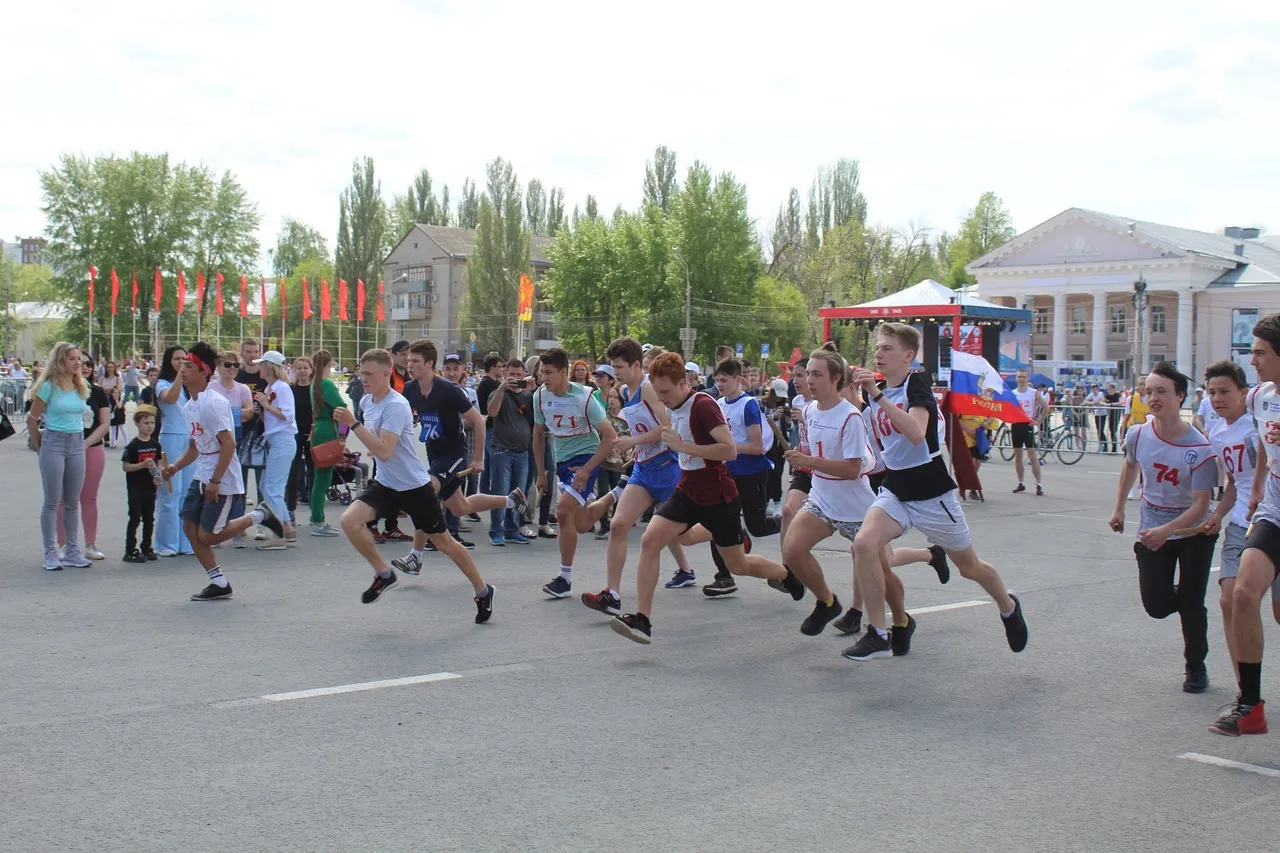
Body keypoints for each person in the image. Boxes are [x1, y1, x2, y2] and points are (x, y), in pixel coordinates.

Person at [849, 322, 1028, 661]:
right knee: (863, 545)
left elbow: (917, 432)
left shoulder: (916, 385)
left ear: (908, 356)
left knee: (969, 567)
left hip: (931, 492)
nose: (879, 353)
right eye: (878, 348)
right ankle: (878, 633)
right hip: (896, 488)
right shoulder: (875, 394)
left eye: (887, 348)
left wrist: (877, 396)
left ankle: (1007, 606)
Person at [611, 352, 802, 644]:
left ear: (683, 383)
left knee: (738, 565)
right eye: (657, 392)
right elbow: (670, 436)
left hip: (718, 493)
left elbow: (729, 450)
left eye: (665, 392)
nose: (661, 399)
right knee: (653, 540)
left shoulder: (703, 405)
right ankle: (642, 620)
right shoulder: (673, 405)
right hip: (687, 489)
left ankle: (786, 575)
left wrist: (684, 447)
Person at [335, 348, 495, 623]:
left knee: (446, 544)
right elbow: (379, 446)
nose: (363, 379)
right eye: (361, 373)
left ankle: (483, 591)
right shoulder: (367, 401)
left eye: (368, 374)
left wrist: (354, 426)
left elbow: (385, 451)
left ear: (386, 373)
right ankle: (384, 574)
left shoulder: (396, 405)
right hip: (386, 483)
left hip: (414, 487)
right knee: (349, 521)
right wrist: (349, 438)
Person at [1109, 361, 1218, 693]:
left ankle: (1195, 666)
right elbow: (1130, 466)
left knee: (1191, 603)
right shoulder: (1138, 434)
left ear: (1180, 396)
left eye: (1162, 391)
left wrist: (1167, 532)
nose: (1153, 398)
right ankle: (1186, 596)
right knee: (1156, 606)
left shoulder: (1200, 448)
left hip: (1194, 531)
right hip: (1153, 527)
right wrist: (1119, 508)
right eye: (1149, 392)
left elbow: (1200, 505)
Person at [577, 336, 695, 615]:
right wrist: (634, 447)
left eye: (619, 367)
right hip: (644, 469)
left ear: (636, 365)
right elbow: (643, 427)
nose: (615, 372)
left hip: (667, 468)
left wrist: (633, 441)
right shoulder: (625, 390)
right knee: (619, 525)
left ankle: (723, 531)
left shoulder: (649, 388)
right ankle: (612, 594)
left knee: (685, 535)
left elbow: (667, 428)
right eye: (613, 366)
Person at [160, 342, 285, 601]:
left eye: (189, 366)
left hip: (223, 476)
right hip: (202, 474)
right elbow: (194, 447)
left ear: (204, 372)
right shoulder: (189, 407)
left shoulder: (214, 403)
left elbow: (229, 444)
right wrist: (175, 467)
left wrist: (215, 481)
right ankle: (219, 582)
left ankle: (260, 514)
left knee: (209, 535)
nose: (182, 370)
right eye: (182, 365)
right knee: (189, 528)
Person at [391, 340, 526, 575]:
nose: (409, 365)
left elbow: (479, 421)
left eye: (415, 361)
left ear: (429, 364)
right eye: (409, 360)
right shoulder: (411, 389)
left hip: (454, 453)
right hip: (434, 453)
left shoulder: (448, 390)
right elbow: (404, 418)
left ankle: (416, 557)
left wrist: (478, 459)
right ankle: (511, 500)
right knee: (460, 507)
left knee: (424, 493)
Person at [1210, 314, 1280, 736]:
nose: (1252, 360)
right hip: (1273, 511)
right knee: (1241, 594)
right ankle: (1250, 706)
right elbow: (1264, 447)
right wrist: (1256, 488)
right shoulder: (1259, 398)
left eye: (1260, 353)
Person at [779, 349, 881, 636]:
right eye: (807, 374)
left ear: (836, 379)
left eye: (816, 374)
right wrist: (800, 454)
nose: (808, 380)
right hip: (822, 499)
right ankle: (826, 602)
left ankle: (900, 621)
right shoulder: (810, 410)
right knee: (792, 550)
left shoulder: (851, 417)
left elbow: (852, 469)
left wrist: (808, 461)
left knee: (882, 570)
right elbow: (815, 445)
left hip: (855, 506)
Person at [534, 347, 617, 599]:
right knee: (581, 524)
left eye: (549, 373)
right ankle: (616, 494)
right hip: (561, 460)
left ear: (563, 372)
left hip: (584, 458)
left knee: (562, 511)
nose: (544, 378)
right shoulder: (540, 396)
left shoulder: (585, 397)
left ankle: (564, 578)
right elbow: (537, 435)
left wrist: (588, 469)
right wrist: (541, 473)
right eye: (541, 372)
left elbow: (610, 436)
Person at [1199, 360, 1257, 684]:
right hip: (1239, 525)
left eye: (1224, 391)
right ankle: (1244, 687)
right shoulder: (1218, 433)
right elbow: (1234, 482)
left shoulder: (1259, 425)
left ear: (1243, 392)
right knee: (1228, 599)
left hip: (1269, 520)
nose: (1217, 399)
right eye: (1211, 393)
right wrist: (1217, 515)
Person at [704, 356, 781, 597]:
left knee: (758, 526)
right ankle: (723, 577)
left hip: (751, 473)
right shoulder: (718, 404)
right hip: (726, 473)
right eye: (717, 380)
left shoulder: (748, 406)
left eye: (724, 380)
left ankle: (787, 521)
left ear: (738, 380)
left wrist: (728, 448)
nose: (720, 385)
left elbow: (757, 446)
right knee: (717, 522)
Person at [28, 342, 92, 571]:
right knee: (52, 501)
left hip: (76, 442)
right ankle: (50, 552)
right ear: (60, 361)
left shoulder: (81, 385)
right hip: (54, 441)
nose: (77, 363)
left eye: (78, 359)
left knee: (72, 502)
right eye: (72, 358)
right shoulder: (49, 386)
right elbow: (32, 419)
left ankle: (72, 551)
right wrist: (39, 446)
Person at [55, 354, 111, 561]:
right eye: (80, 362)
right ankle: (63, 545)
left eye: (89, 364)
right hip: (65, 448)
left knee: (89, 497)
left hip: (91, 447)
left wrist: (86, 443)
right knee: (64, 498)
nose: (84, 367)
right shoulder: (61, 389)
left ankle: (90, 544)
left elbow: (104, 423)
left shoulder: (97, 392)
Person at [484, 358, 535, 546]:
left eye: (518, 375)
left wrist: (533, 389)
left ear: (524, 375)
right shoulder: (498, 393)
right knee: (500, 493)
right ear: (505, 374)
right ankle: (496, 531)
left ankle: (512, 530)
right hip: (502, 450)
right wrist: (501, 389)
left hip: (522, 452)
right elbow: (492, 412)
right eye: (511, 374)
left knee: (518, 494)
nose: (515, 378)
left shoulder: (528, 396)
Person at [252, 350, 298, 549]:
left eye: (262, 364)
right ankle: (286, 528)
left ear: (269, 367)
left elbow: (288, 416)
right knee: (269, 487)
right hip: (278, 441)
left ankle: (279, 534)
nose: (259, 368)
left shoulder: (282, 388)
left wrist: (266, 405)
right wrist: (262, 412)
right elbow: (276, 418)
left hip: (282, 441)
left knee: (271, 488)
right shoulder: (272, 387)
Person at [154, 346, 194, 557]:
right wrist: (180, 376)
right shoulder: (163, 383)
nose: (181, 362)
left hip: (190, 440)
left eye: (184, 358)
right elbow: (170, 398)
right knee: (171, 491)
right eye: (177, 359)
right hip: (170, 438)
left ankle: (186, 542)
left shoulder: (191, 386)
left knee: (187, 493)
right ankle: (166, 543)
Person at [307, 350, 347, 536]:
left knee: (319, 476)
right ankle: (318, 521)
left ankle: (315, 516)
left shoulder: (314, 384)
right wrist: (343, 434)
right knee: (323, 478)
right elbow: (341, 406)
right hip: (328, 429)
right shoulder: (326, 384)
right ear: (329, 364)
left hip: (318, 428)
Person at [121, 405, 163, 562]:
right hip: (135, 487)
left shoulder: (155, 444)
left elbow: (158, 463)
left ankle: (147, 547)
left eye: (152, 423)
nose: (150, 426)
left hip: (149, 487)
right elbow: (126, 466)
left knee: (149, 518)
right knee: (135, 517)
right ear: (137, 424)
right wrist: (142, 465)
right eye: (146, 423)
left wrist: (158, 475)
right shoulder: (133, 446)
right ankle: (130, 550)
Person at [234, 339, 269, 514]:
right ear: (242, 354)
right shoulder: (237, 376)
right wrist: (243, 410)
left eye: (256, 352)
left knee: (262, 482)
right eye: (248, 352)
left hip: (262, 434)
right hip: (239, 434)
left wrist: (264, 409)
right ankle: (238, 520)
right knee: (239, 482)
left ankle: (263, 519)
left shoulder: (265, 377)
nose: (252, 355)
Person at [286, 355, 315, 526]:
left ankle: (315, 512)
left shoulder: (315, 389)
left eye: (305, 368)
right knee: (292, 474)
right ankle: (290, 511)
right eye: (299, 368)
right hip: (294, 434)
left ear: (311, 370)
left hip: (312, 434)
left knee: (313, 474)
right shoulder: (290, 389)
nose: (302, 371)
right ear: (294, 371)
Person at [1011, 370, 1047, 496]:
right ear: (1016, 378)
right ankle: (1020, 483)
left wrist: (1038, 421)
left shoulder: (1033, 392)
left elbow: (1046, 407)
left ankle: (1039, 484)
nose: (1021, 379)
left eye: (1023, 377)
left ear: (1027, 378)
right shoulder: (1012, 393)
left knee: (1032, 456)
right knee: (1018, 457)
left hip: (1028, 426)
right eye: (1019, 377)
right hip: (1016, 426)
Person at [474, 354, 505, 498]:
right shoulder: (491, 384)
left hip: (487, 426)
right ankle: (490, 494)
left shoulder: (487, 382)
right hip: (491, 426)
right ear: (492, 368)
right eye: (500, 366)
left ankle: (485, 492)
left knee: (488, 461)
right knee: (494, 461)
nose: (503, 369)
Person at [1104, 382, 1122, 453]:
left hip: (1116, 413)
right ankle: (1113, 446)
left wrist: (1111, 404)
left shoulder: (1117, 395)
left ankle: (1114, 447)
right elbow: (1102, 401)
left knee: (1114, 430)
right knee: (1111, 429)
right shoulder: (1108, 396)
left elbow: (1120, 402)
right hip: (1110, 414)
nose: (1108, 390)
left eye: (1109, 389)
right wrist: (1105, 404)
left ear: (1113, 389)